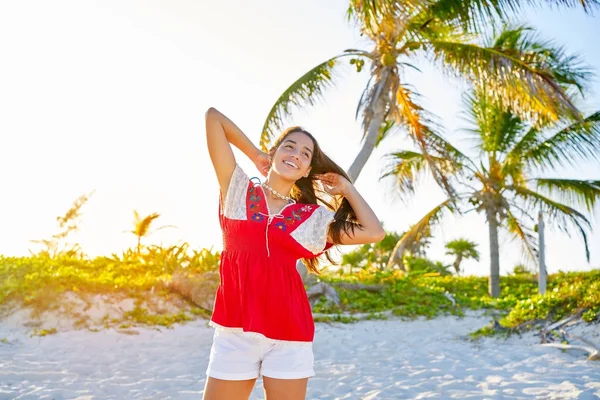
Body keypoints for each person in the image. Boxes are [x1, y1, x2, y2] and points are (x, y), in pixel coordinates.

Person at [203, 107, 385, 400]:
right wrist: (256, 155)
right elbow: (214, 118)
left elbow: (374, 232)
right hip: (234, 330)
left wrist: (347, 189)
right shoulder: (237, 190)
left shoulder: (312, 219)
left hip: (289, 335)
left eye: (305, 154)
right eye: (289, 146)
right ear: (274, 153)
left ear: (307, 171)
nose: (296, 154)